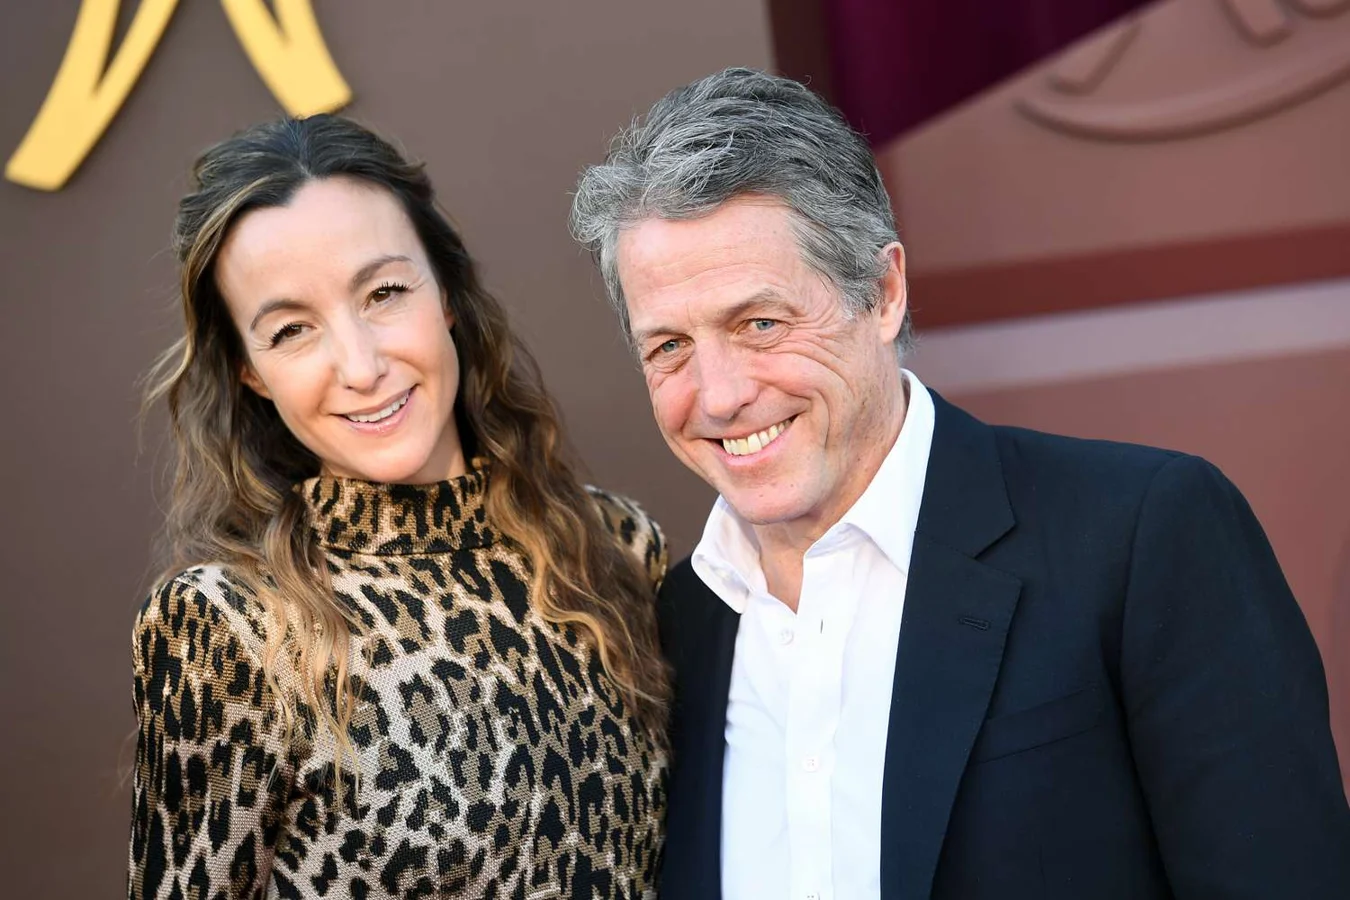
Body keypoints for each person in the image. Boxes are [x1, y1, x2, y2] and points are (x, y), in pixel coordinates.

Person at [570, 68, 1350, 900]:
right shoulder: (669, 632)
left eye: (760, 323)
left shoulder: (1143, 537)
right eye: (670, 347)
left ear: (883, 294)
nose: (720, 395)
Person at [129, 115, 670, 900]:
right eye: (291, 330)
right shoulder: (231, 627)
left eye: (383, 293)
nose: (361, 365)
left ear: (445, 291)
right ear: (249, 371)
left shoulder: (617, 547)